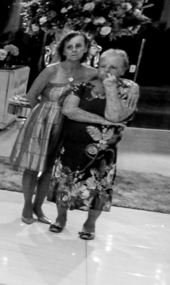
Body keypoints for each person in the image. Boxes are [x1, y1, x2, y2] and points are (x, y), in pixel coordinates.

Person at [9, 31, 97, 224]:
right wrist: (44, 114)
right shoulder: (51, 70)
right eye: (69, 46)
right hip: (43, 120)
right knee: (32, 166)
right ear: (63, 50)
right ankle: (27, 205)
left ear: (85, 49)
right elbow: (31, 95)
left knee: (51, 169)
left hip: (70, 124)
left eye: (78, 46)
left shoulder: (92, 73)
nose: (74, 50)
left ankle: (38, 207)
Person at [49, 49, 139, 240]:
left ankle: (90, 224)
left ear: (123, 70)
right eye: (103, 65)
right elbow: (69, 110)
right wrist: (102, 121)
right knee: (65, 183)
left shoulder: (128, 91)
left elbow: (115, 116)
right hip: (72, 146)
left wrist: (111, 88)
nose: (107, 70)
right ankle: (60, 217)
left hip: (103, 153)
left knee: (98, 188)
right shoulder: (83, 86)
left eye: (113, 67)